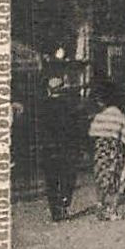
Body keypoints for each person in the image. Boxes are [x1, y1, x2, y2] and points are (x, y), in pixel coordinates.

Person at [86, 81, 125, 222]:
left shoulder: (99, 116)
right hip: (115, 152)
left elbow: (92, 133)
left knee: (101, 179)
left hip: (100, 152)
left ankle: (100, 206)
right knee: (117, 180)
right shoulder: (121, 117)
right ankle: (113, 210)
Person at [33, 75, 82, 221]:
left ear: (49, 90)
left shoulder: (42, 106)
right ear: (62, 89)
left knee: (51, 180)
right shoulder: (70, 106)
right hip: (66, 147)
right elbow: (75, 128)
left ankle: (55, 211)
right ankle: (65, 205)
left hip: (48, 149)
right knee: (67, 178)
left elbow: (38, 128)